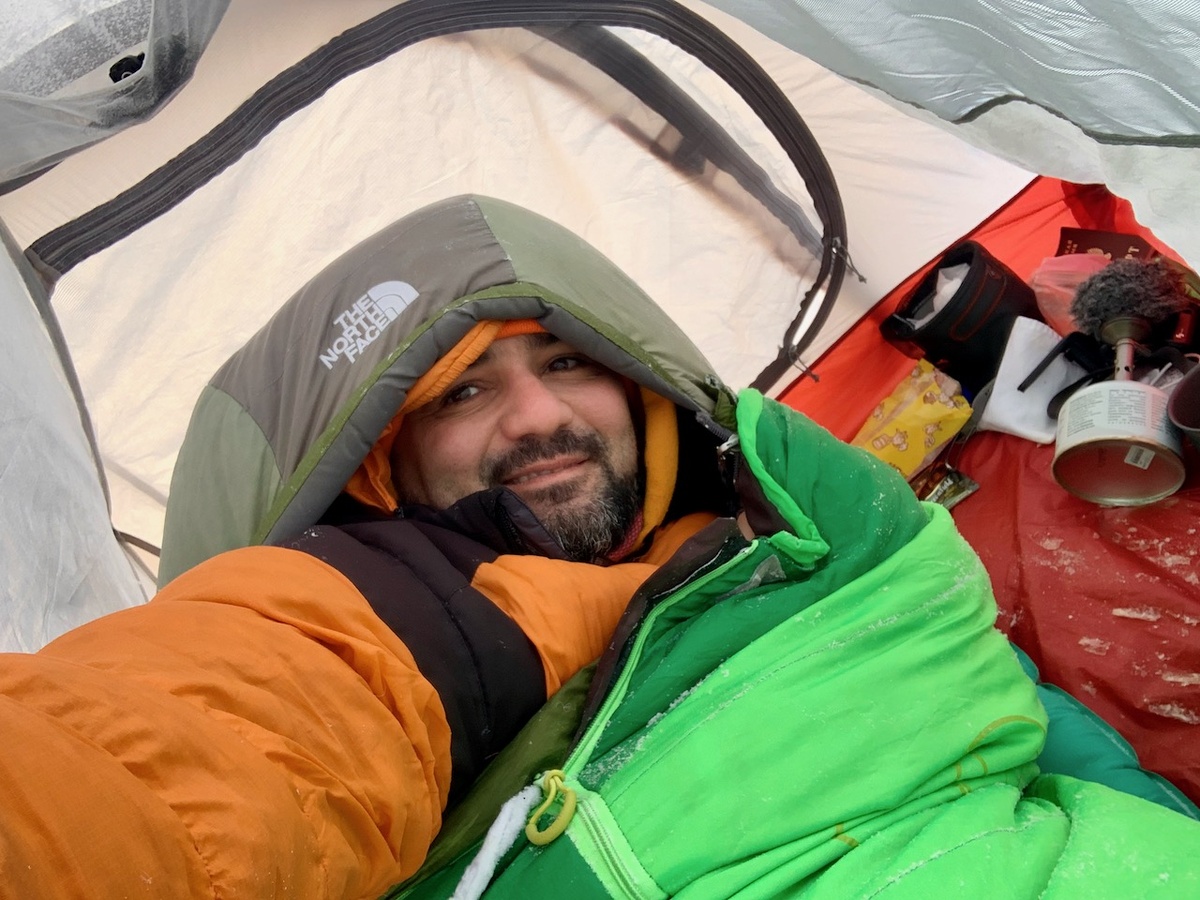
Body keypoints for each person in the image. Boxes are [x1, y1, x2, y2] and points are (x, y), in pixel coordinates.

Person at [1, 195, 1198, 900]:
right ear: (382, 468)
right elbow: (177, 761)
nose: (539, 418)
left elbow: (1046, 744)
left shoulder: (798, 535)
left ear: (642, 389)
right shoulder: (392, 611)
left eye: (568, 362)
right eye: (463, 392)